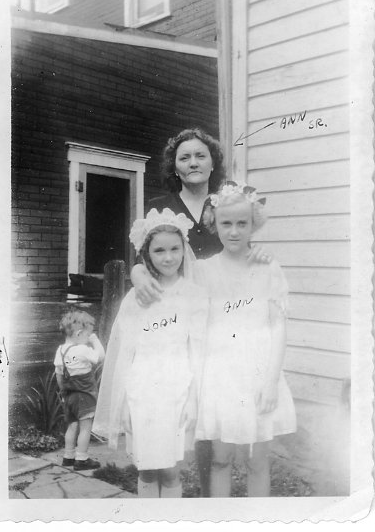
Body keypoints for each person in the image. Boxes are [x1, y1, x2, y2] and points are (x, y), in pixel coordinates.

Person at [131, 126, 271, 497]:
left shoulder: (225, 203)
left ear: (213, 163)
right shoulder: (161, 205)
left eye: (200, 155)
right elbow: (144, 251)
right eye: (184, 157)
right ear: (174, 167)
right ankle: (165, 479)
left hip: (223, 316)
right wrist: (137, 270)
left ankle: (212, 498)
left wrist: (256, 255)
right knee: (181, 402)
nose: (193, 162)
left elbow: (242, 242)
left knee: (214, 408)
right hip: (179, 317)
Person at [93, 208, 208, 498]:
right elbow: (124, 354)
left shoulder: (194, 296)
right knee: (145, 468)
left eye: (174, 249)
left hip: (178, 390)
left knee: (170, 470)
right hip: (141, 390)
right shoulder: (136, 297)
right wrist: (123, 405)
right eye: (159, 251)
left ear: (184, 249)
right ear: (146, 255)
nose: (168, 257)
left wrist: (194, 400)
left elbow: (199, 353)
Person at [193, 182, 296, 497]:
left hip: (258, 373)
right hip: (220, 375)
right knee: (220, 460)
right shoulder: (204, 270)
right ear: (214, 224)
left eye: (242, 223)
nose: (234, 231)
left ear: (254, 224)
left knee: (257, 461)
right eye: (226, 223)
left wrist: (270, 381)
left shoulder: (268, 266)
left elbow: (278, 326)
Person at [54, 309, 105, 470]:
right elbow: (100, 357)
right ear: (78, 334)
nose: (88, 339)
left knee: (71, 425)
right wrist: (95, 341)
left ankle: (68, 456)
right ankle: (81, 459)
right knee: (85, 428)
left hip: (69, 396)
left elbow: (59, 374)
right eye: (86, 335)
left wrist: (63, 393)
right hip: (85, 395)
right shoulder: (83, 350)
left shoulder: (60, 350)